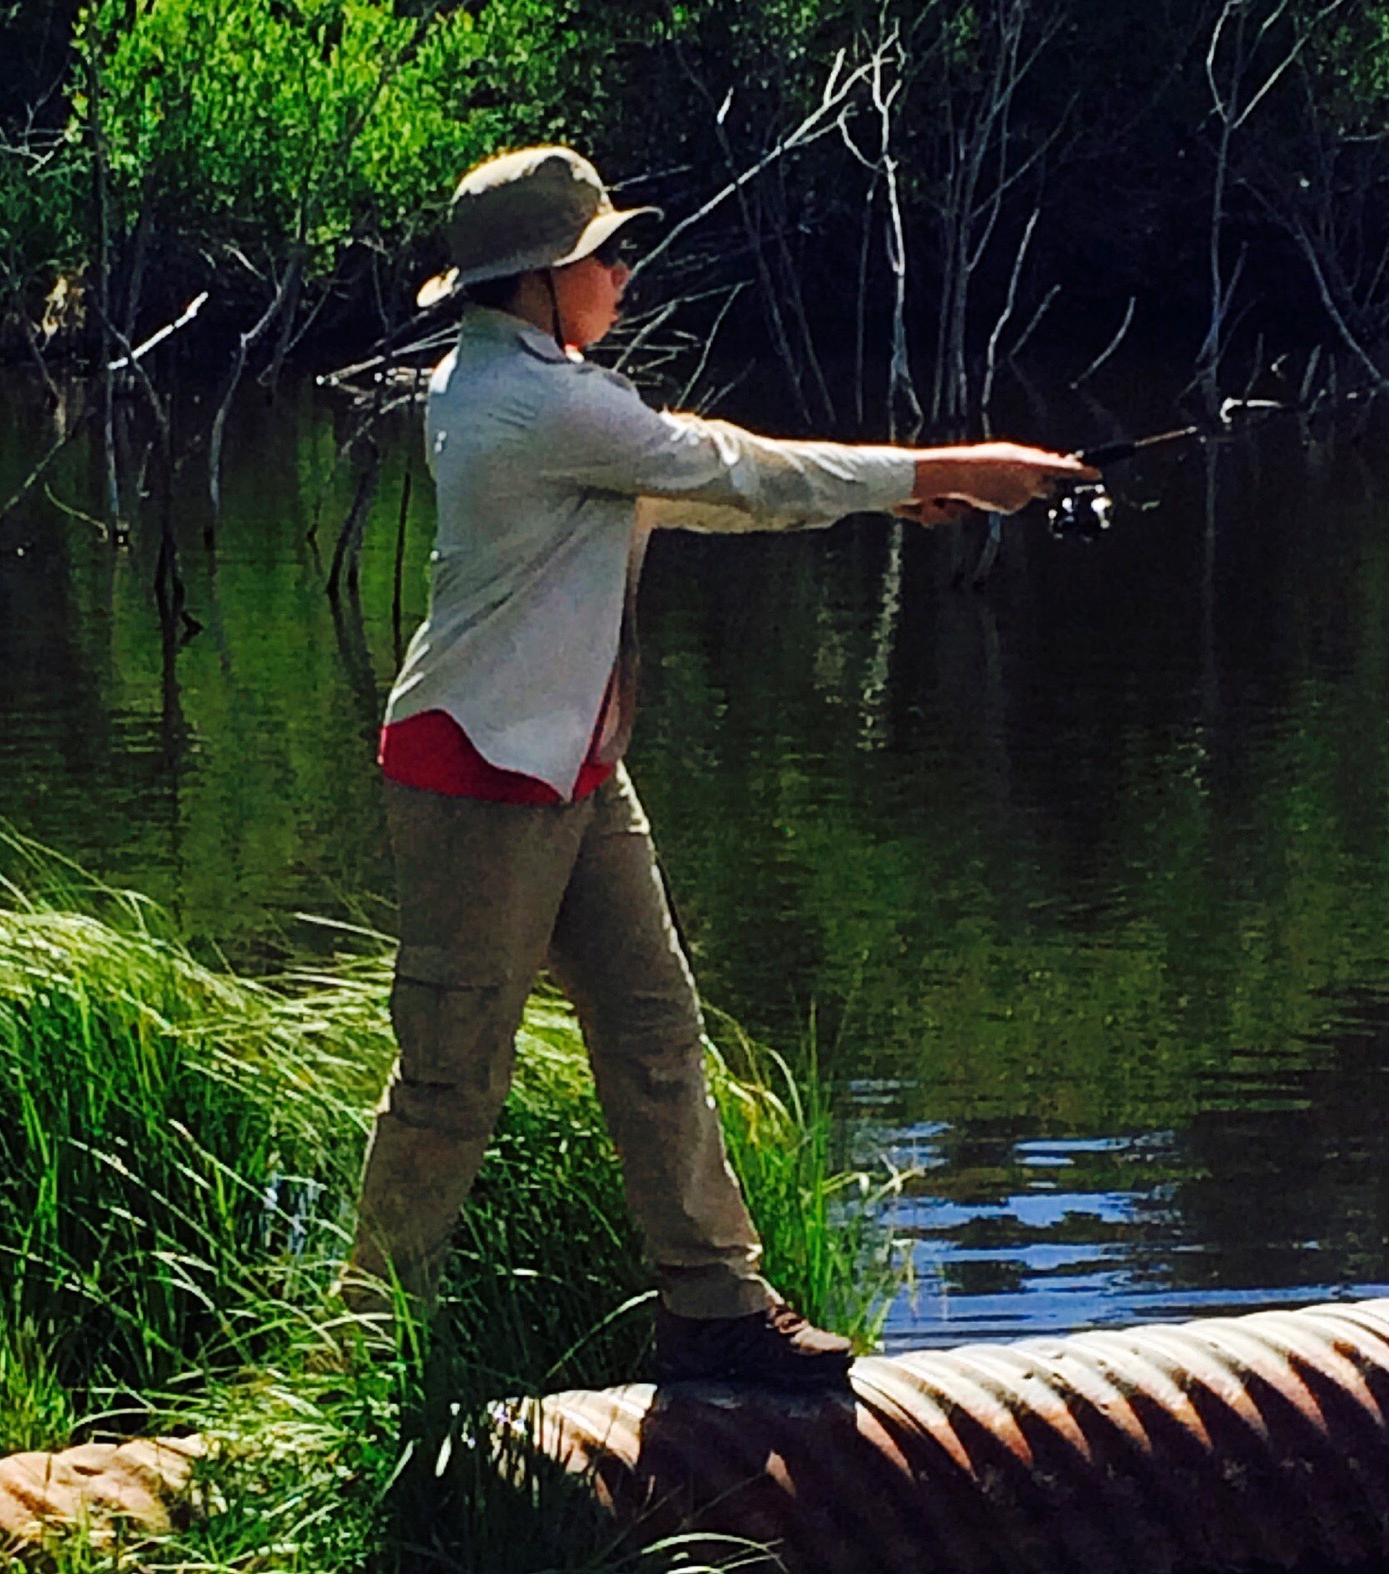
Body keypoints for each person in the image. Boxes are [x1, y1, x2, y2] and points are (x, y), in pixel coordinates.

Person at [339, 145, 1095, 1389]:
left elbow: (685, 487)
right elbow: (726, 465)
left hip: (573, 767)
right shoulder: (534, 403)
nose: (622, 275)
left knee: (655, 1036)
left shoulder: (525, 389)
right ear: (536, 278)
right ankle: (361, 1357)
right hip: (478, 775)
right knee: (450, 1082)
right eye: (603, 255)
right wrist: (943, 470)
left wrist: (884, 499)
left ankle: (714, 1309)